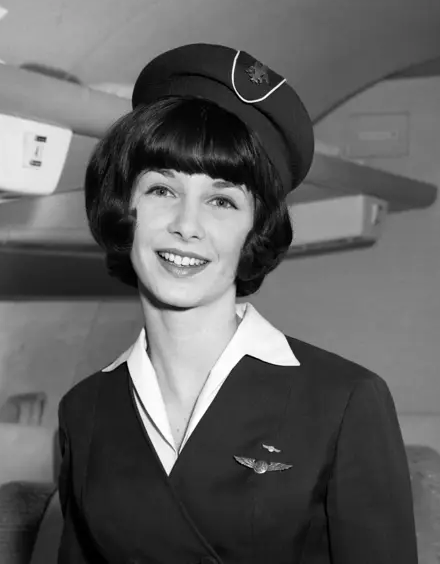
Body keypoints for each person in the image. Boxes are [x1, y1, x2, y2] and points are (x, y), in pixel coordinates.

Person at [57, 43, 418, 564]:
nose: (187, 225)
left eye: (222, 201)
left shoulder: (344, 401)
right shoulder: (85, 410)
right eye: (162, 190)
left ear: (254, 230)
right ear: (124, 207)